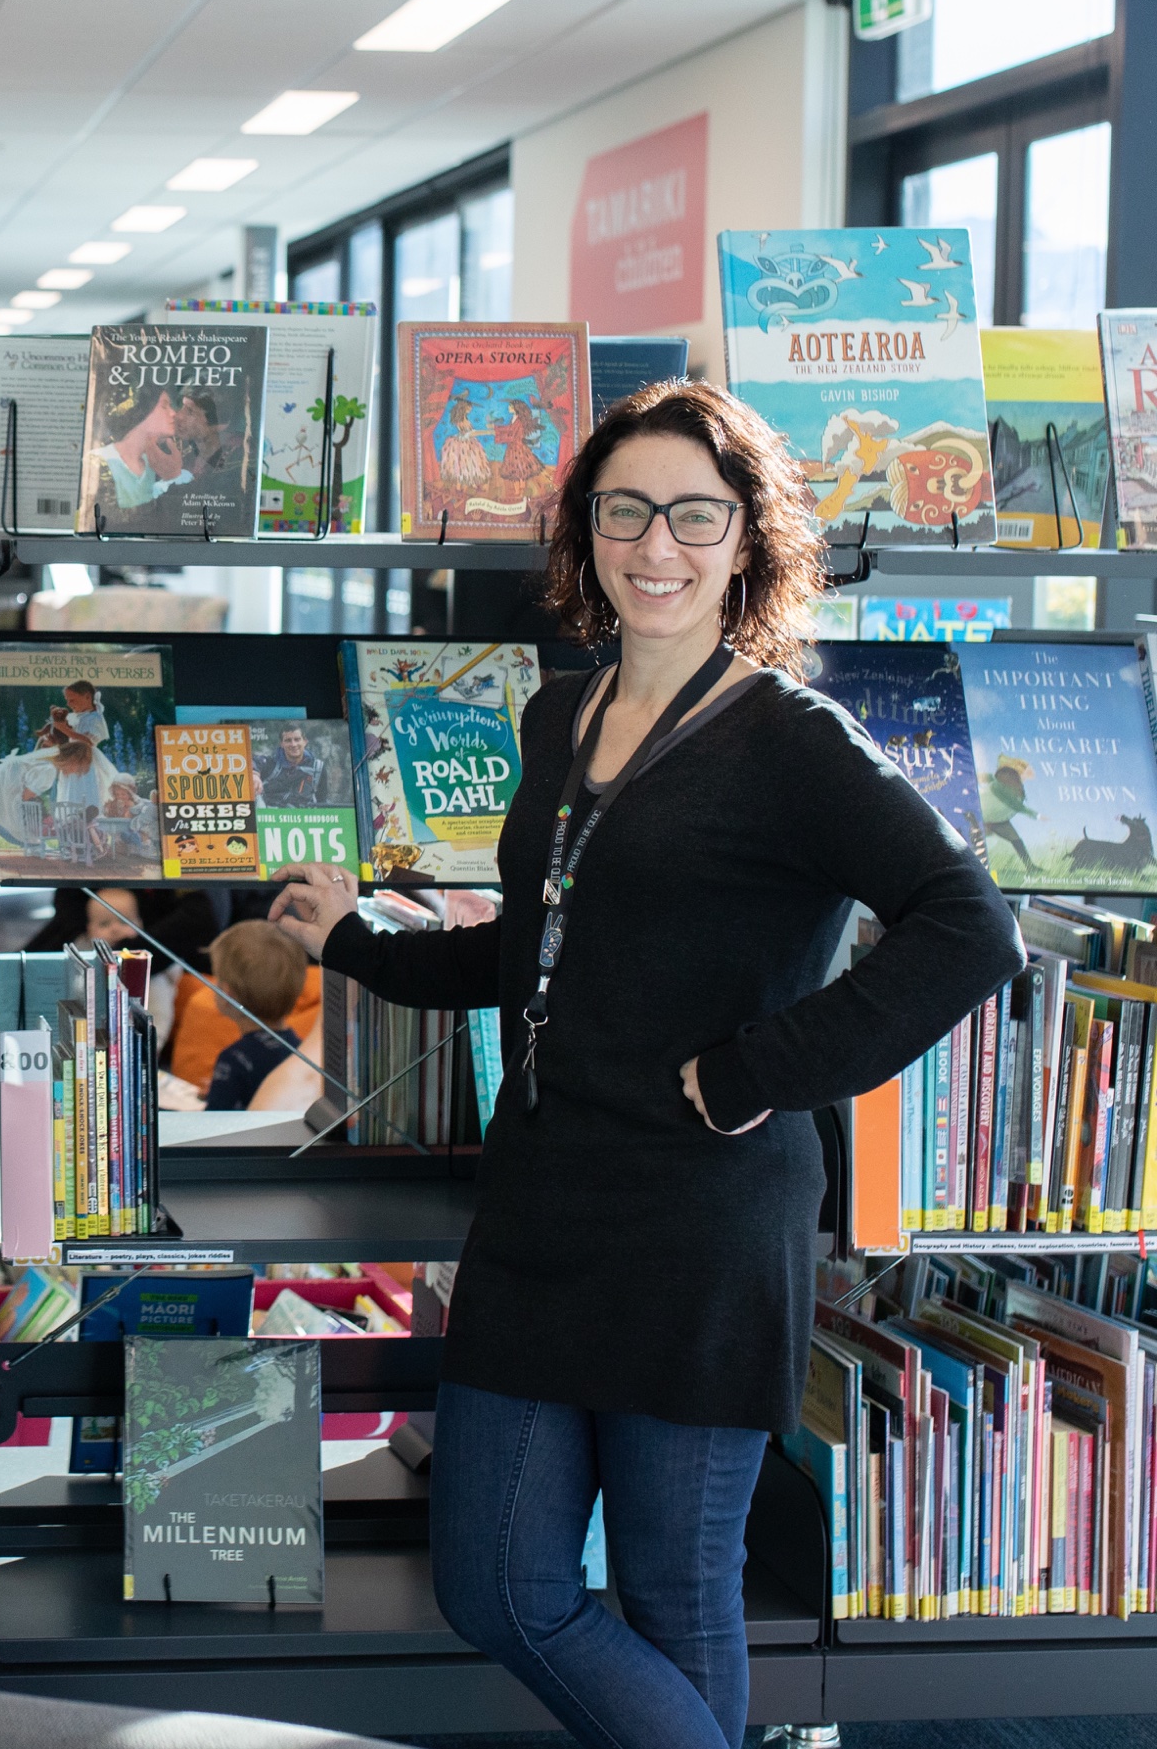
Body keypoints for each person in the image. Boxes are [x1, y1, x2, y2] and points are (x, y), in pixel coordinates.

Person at [266, 379, 1020, 1749]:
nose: (655, 544)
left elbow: (972, 928)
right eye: (625, 511)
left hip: (701, 1226)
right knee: (497, 1584)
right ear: (587, 531)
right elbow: (534, 951)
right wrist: (356, 942)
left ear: (746, 540)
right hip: (544, 1210)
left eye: (693, 514)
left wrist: (760, 1071)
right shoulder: (560, 713)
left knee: (676, 1594)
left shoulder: (793, 739)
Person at [199, 921, 306, 1109]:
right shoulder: (300, 1050)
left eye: (218, 979)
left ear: (228, 994)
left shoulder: (233, 1060)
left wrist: (222, 1092)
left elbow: (215, 1122)